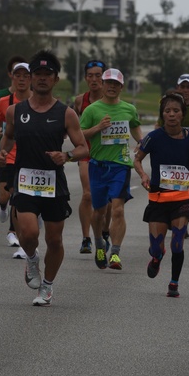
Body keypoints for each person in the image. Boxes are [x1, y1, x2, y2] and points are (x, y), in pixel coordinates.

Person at [0, 50, 88, 306]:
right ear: (30, 77)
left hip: (53, 184)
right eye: (36, 74)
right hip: (25, 180)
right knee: (27, 233)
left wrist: (66, 155)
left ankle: (47, 287)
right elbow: (9, 137)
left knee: (54, 239)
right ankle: (32, 259)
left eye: (47, 74)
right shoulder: (15, 111)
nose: (41, 78)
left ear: (55, 79)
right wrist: (3, 153)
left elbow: (83, 147)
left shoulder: (66, 113)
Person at [133, 92, 189, 297]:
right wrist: (143, 174)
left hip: (181, 200)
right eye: (167, 111)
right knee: (156, 248)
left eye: (176, 111)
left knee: (177, 243)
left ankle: (174, 283)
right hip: (158, 199)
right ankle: (156, 258)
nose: (171, 114)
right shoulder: (154, 137)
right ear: (162, 114)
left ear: (183, 114)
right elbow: (137, 159)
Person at [79, 68, 142, 270]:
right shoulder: (92, 110)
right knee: (98, 212)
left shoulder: (129, 109)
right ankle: (99, 243)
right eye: (109, 83)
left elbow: (135, 125)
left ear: (121, 87)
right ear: (103, 85)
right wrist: (97, 128)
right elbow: (79, 135)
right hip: (98, 166)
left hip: (121, 165)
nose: (112, 87)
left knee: (118, 209)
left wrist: (142, 142)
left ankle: (115, 253)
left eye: (116, 84)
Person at [0, 61, 32, 258]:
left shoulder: (37, 101)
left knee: (18, 196)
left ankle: (16, 235)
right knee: (6, 196)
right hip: (7, 156)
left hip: (28, 158)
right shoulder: (4, 102)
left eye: (25, 75)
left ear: (30, 79)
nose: (21, 79)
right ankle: (2, 206)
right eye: (18, 75)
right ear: (12, 78)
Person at [73, 59, 107, 254]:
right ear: (86, 78)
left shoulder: (111, 99)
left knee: (106, 201)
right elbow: (77, 128)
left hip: (107, 153)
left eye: (98, 75)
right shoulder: (80, 100)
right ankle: (86, 238)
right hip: (86, 152)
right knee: (87, 194)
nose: (94, 79)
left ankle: (104, 231)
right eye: (90, 75)